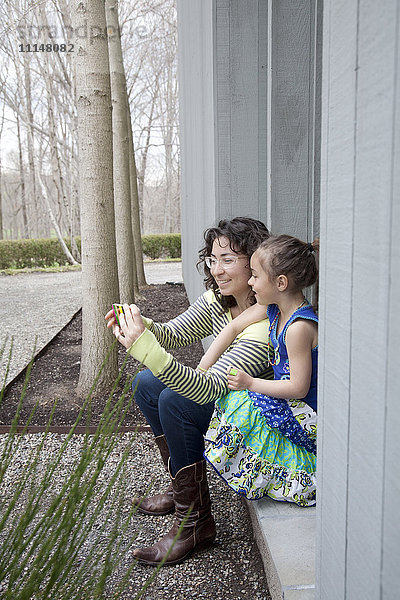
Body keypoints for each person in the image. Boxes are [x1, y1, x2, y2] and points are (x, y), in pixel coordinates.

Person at [105, 217, 272, 566]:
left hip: (263, 418)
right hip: (230, 400)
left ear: (255, 260)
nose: (218, 270)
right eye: (213, 259)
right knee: (147, 385)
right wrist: (141, 324)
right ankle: (183, 489)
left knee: (175, 399)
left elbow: (208, 388)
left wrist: (143, 347)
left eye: (228, 259)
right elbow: (174, 334)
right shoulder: (220, 300)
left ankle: (195, 522)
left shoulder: (267, 325)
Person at [199, 234, 319, 507]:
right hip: (288, 402)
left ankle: (287, 472)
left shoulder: (299, 327)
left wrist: (250, 382)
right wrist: (203, 368)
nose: (250, 282)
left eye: (255, 276)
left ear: (280, 283)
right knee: (232, 397)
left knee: (241, 401)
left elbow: (298, 387)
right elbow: (233, 327)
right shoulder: (273, 308)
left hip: (306, 413)